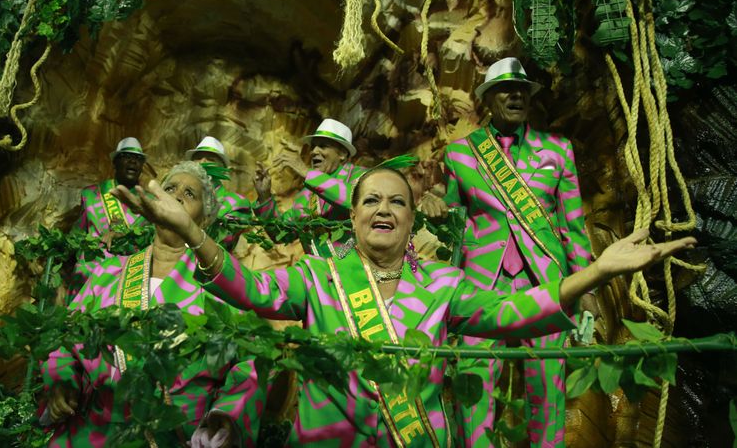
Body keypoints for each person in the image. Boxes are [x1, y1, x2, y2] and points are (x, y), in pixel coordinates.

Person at [112, 165, 695, 446]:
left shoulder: (445, 285)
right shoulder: (318, 277)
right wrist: (193, 232)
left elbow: (517, 312)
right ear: (354, 214)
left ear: (412, 219)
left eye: (397, 202)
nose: (383, 209)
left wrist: (595, 271)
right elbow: (250, 290)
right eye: (371, 200)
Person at [420, 56, 594, 446]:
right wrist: (434, 210)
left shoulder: (558, 150)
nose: (516, 95)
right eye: (505, 89)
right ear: (488, 99)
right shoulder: (460, 154)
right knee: (473, 378)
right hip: (481, 281)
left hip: (546, 280)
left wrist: (587, 290)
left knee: (548, 385)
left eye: (522, 90)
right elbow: (454, 223)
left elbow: (573, 227)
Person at [42, 162, 264, 448]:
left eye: (190, 194)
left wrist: (226, 416)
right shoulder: (107, 273)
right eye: (170, 188)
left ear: (205, 220)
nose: (177, 196)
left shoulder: (221, 287)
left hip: (174, 436)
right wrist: (62, 381)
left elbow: (251, 363)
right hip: (96, 431)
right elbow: (65, 340)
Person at [253, 118, 364, 257]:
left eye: (323, 146)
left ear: (342, 153)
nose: (313, 151)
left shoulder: (362, 177)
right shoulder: (306, 195)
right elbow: (281, 234)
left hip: (357, 272)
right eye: (313, 146)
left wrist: (306, 172)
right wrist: (264, 196)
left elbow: (358, 202)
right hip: (317, 275)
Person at [69, 137, 151, 302]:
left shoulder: (150, 202)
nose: (133, 162)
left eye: (138, 159)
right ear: (114, 162)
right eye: (127, 157)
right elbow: (76, 235)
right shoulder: (92, 194)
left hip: (129, 274)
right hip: (91, 268)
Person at [186, 136, 266, 251]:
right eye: (198, 158)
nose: (202, 162)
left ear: (222, 168)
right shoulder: (177, 197)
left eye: (210, 159)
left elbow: (220, 241)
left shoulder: (236, 203)